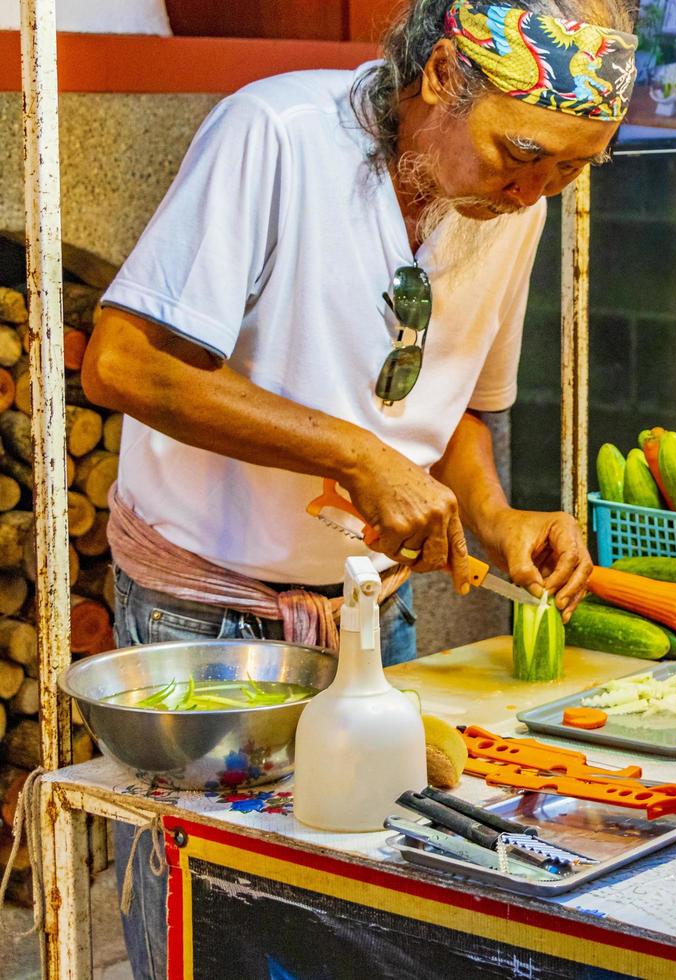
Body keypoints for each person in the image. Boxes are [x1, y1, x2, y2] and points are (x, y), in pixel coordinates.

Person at [81, 1, 637, 977]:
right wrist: (354, 452)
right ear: (439, 81)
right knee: (211, 921)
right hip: (209, 620)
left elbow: (460, 406)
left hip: (371, 620)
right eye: (522, 153)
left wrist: (494, 512)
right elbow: (125, 365)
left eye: (570, 168)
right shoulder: (276, 137)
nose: (534, 188)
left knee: (369, 909)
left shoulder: (520, 206)